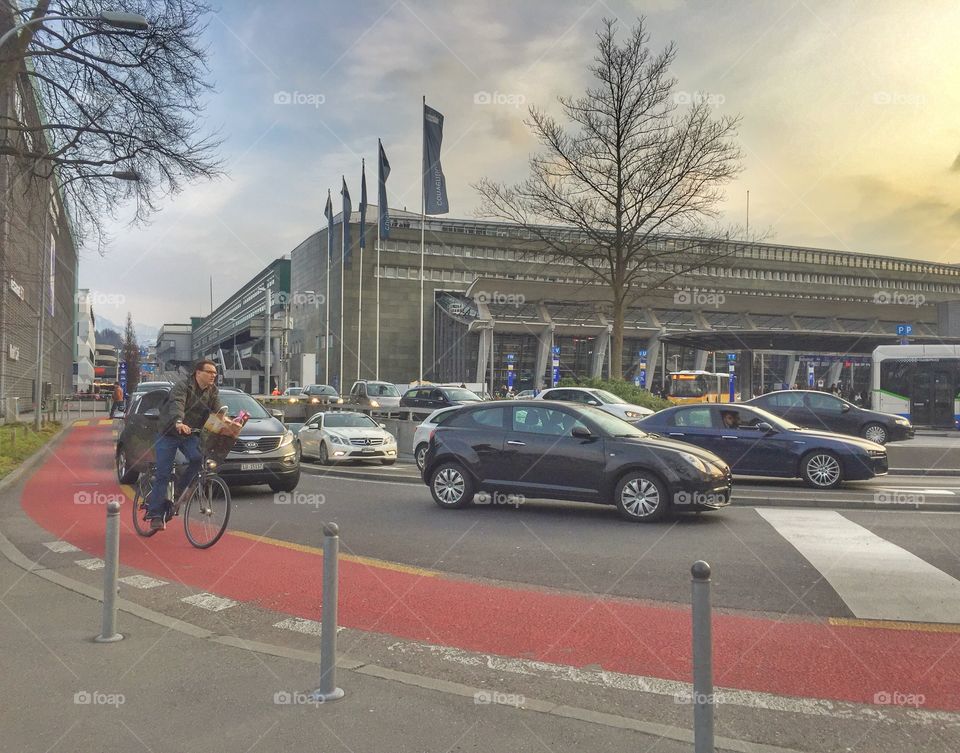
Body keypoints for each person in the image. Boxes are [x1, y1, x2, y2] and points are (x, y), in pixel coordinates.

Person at [145, 360, 224, 532]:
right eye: (209, 372)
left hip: (189, 434)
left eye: (215, 373)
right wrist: (178, 422)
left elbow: (218, 412)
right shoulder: (182, 386)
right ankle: (156, 514)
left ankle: (179, 492)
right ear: (198, 373)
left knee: (197, 458)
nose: (213, 375)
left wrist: (229, 423)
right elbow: (177, 405)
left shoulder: (212, 391)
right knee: (163, 474)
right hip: (169, 432)